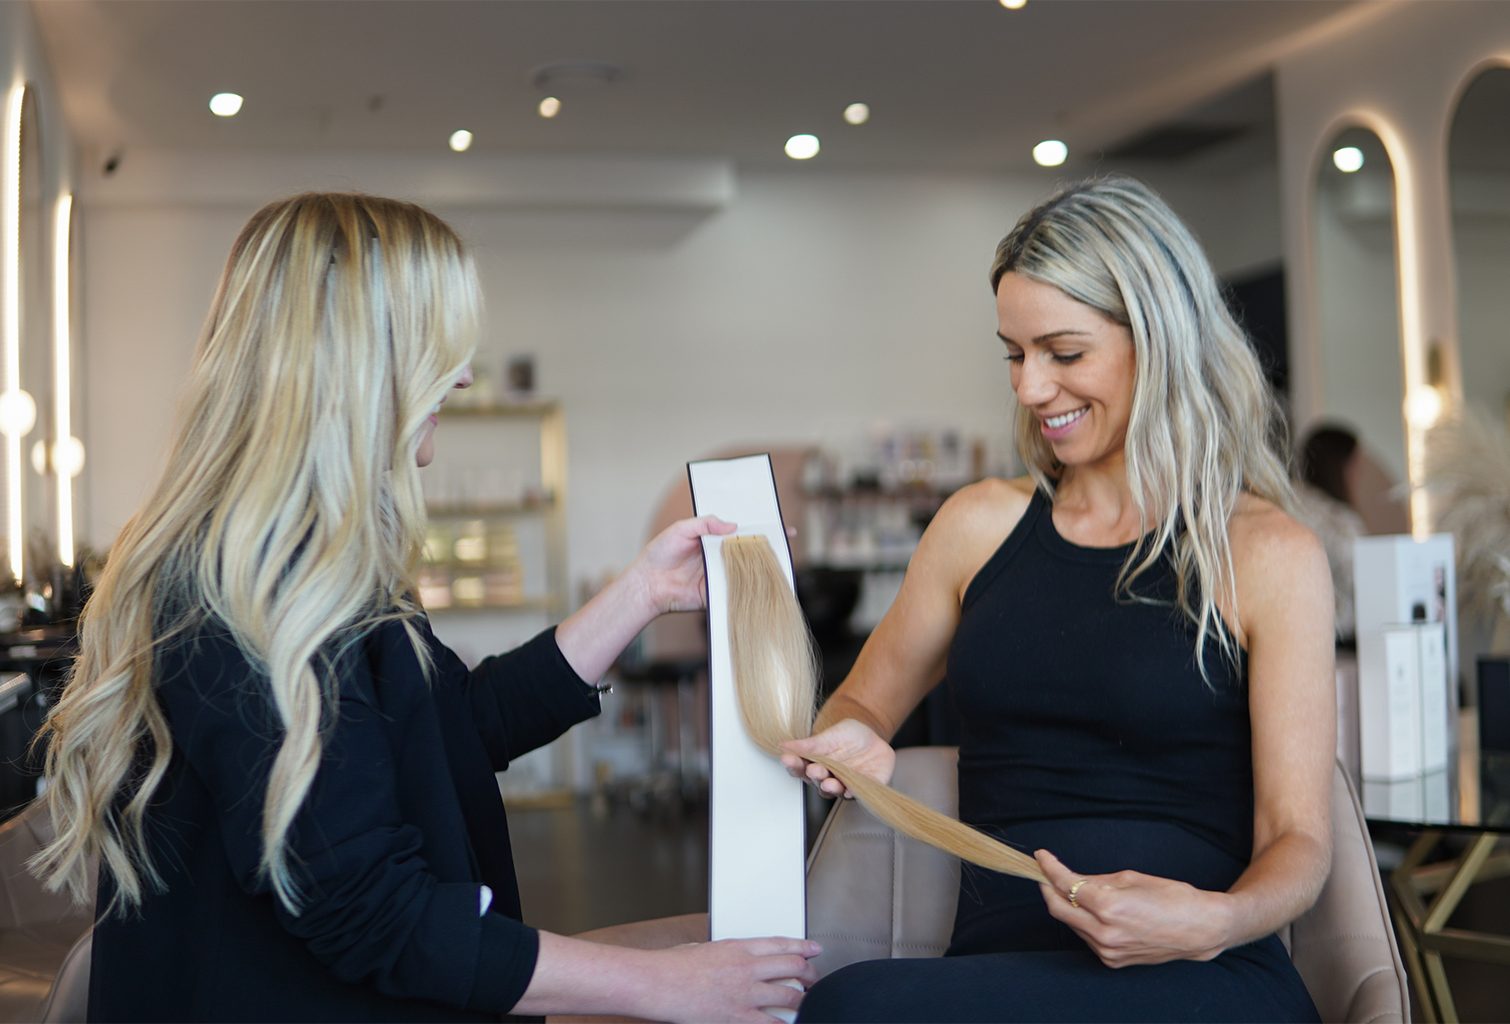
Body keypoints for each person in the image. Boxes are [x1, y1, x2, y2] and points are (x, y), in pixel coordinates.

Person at [31, 193, 818, 1023]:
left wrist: (644, 592)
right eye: (437, 343)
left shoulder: (321, 562)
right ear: (351, 356)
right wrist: (664, 984)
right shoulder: (247, 590)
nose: (467, 373)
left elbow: (450, 733)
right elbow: (367, 906)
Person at [782, 176, 1334, 1023]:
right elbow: (864, 700)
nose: (1031, 388)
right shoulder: (977, 528)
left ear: (1158, 343)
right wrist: (856, 730)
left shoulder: (1268, 554)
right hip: (1000, 973)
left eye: (1064, 353)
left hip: (1199, 978)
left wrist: (1212, 920)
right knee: (847, 1008)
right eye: (1014, 352)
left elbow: (1298, 841)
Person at [1293, 423, 1371, 642]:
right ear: (1340, 466)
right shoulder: (1341, 522)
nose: (1360, 473)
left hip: (1292, 630)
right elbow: (1364, 585)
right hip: (1337, 638)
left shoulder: (1284, 506)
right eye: (1356, 465)